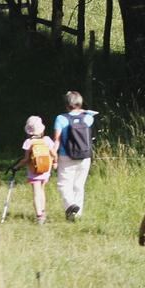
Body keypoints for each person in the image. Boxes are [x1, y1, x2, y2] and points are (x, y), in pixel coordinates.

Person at [51, 91, 98, 221]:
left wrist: (53, 155)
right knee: (79, 185)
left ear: (66, 105)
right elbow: (92, 112)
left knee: (63, 184)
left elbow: (57, 139)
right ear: (80, 103)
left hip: (66, 156)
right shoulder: (88, 118)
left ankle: (70, 205)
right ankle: (77, 215)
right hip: (84, 156)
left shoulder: (61, 118)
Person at [14, 116, 58, 225]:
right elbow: (53, 153)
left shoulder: (28, 142)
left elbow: (26, 159)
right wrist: (55, 162)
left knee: (36, 193)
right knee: (42, 190)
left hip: (33, 172)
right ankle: (42, 211)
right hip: (45, 170)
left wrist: (17, 167)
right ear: (41, 129)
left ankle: (39, 215)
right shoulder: (47, 140)